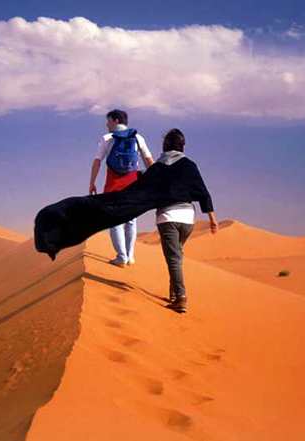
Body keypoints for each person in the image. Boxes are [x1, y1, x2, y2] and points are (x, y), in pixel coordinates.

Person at [156, 128, 218, 313]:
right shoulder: (189, 165)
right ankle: (174, 293)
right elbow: (202, 191)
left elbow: (145, 189)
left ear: (165, 145)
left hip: (168, 217)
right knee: (176, 256)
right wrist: (212, 218)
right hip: (187, 219)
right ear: (182, 146)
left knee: (173, 259)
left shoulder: (159, 166)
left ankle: (181, 298)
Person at [89, 109, 154, 267]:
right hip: (133, 184)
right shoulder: (138, 137)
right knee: (131, 220)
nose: (107, 124)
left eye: (109, 120)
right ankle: (130, 256)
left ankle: (121, 256)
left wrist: (92, 182)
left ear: (116, 121)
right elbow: (148, 160)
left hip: (113, 184)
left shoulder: (107, 138)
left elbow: (97, 161)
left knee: (114, 220)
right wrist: (154, 180)